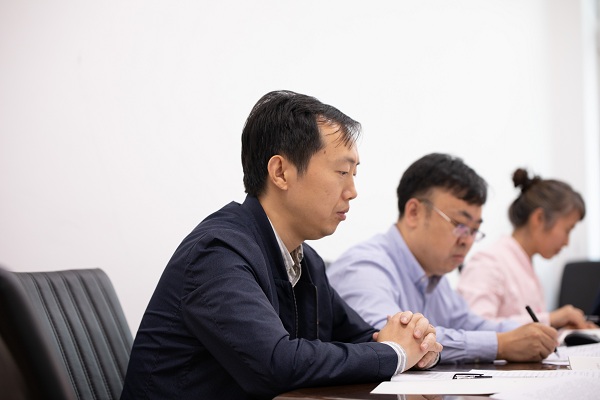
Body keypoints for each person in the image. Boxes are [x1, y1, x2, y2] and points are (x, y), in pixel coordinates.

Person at [120, 91, 442, 400]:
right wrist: (395, 353)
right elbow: (275, 364)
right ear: (281, 172)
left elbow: (362, 338)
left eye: (354, 174)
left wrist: (416, 344)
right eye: (342, 172)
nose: (353, 191)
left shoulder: (305, 260)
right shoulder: (217, 252)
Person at [327, 153, 558, 364]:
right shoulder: (363, 267)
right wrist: (501, 345)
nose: (467, 240)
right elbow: (393, 340)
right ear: (414, 212)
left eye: (474, 230)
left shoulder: (435, 278)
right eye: (460, 225)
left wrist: (532, 333)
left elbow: (473, 324)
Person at [457, 169, 593, 329]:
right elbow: (473, 330)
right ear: (539, 218)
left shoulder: (524, 265)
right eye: (567, 230)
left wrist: (563, 332)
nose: (567, 242)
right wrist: (550, 319)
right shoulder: (488, 264)